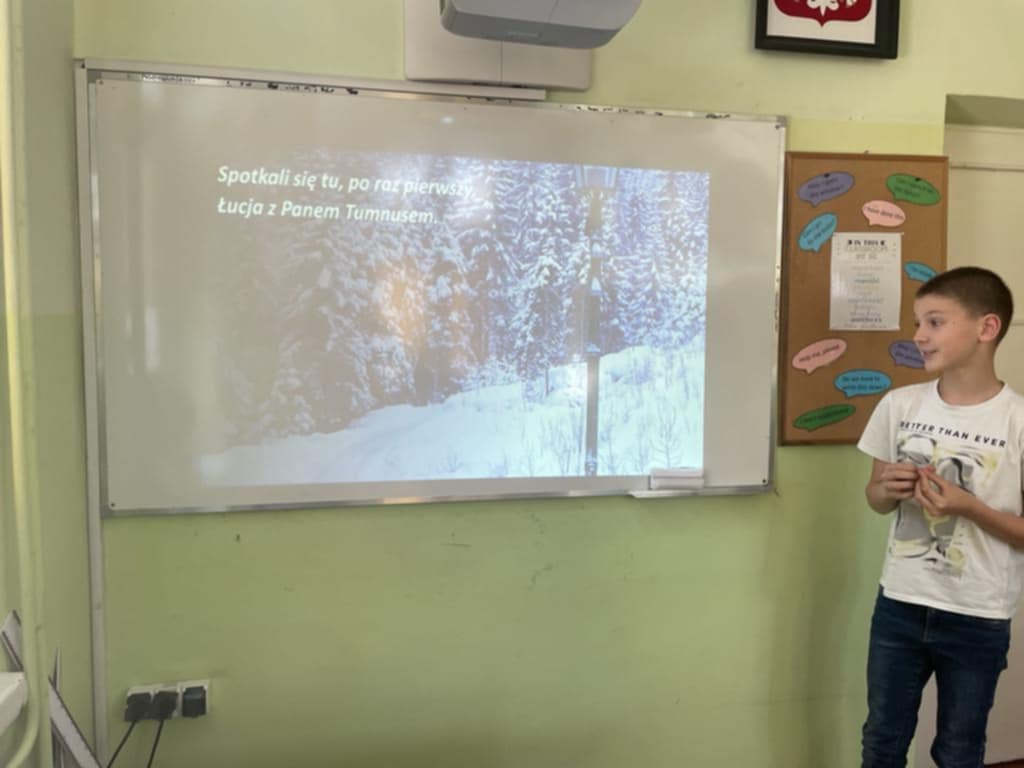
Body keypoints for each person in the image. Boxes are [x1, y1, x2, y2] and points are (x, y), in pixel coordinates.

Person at [857, 266, 1024, 768]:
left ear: (986, 327)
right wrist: (885, 489)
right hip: (900, 603)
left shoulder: (1017, 420)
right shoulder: (899, 405)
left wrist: (967, 507)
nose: (918, 336)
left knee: (958, 749)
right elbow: (875, 498)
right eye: (917, 323)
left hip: (979, 613)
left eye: (934, 322)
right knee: (882, 740)